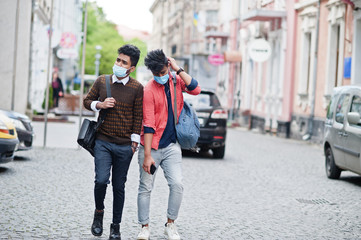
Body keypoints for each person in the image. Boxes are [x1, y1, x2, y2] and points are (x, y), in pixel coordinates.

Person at [136, 49, 201, 240]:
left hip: (172, 146)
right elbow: (148, 124)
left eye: (163, 73)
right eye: (156, 74)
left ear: (168, 66)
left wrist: (177, 69)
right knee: (145, 187)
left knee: (177, 184)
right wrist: (147, 155)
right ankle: (144, 227)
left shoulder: (175, 80)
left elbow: (196, 89)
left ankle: (170, 224)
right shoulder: (148, 89)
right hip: (152, 146)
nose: (160, 77)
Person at [83, 44, 143, 240]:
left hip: (125, 145)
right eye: (118, 60)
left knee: (119, 186)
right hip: (103, 142)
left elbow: (138, 116)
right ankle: (98, 214)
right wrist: (99, 104)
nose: (118, 64)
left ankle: (115, 226)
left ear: (131, 68)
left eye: (124, 62)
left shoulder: (137, 88)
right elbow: (86, 101)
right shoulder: (102, 81)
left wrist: (134, 143)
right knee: (101, 181)